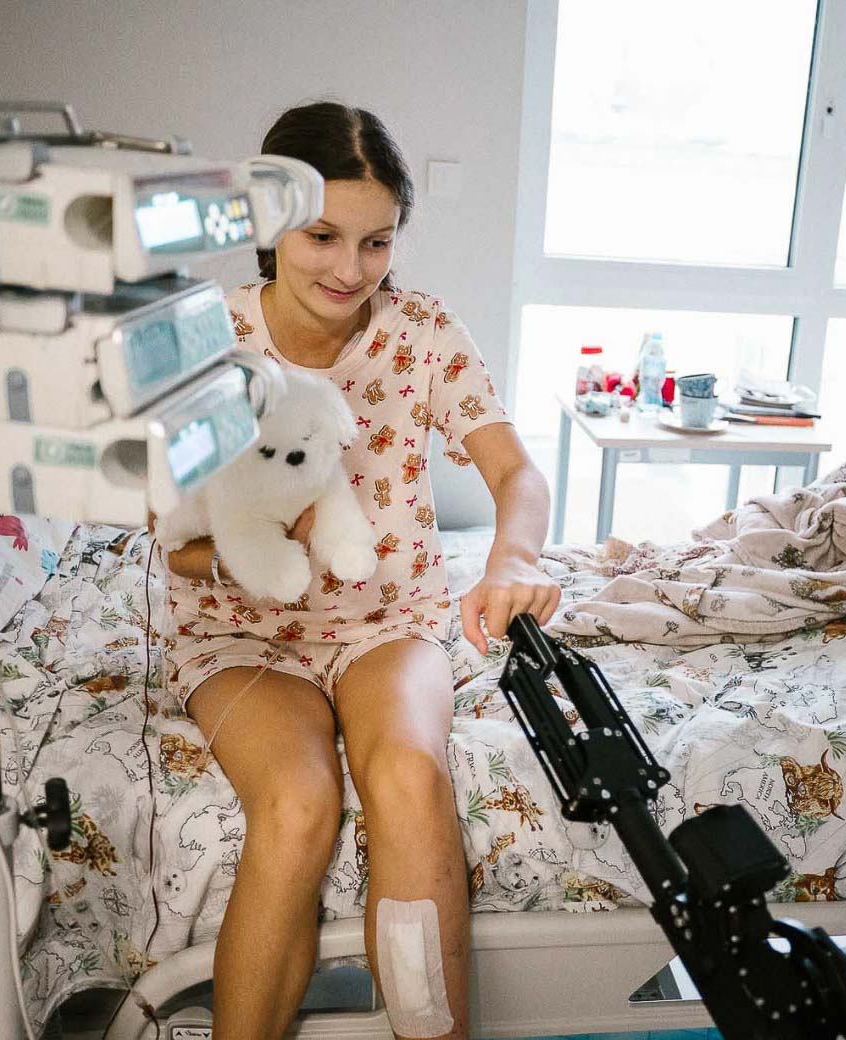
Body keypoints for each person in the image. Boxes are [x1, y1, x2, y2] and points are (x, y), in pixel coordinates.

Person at [154, 100, 558, 1040]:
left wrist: (513, 558)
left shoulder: (422, 332)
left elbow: (517, 474)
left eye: (377, 242)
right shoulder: (206, 342)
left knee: (411, 777)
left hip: (386, 622)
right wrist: (259, 558)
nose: (349, 269)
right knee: (298, 806)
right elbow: (171, 541)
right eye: (323, 237)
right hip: (242, 632)